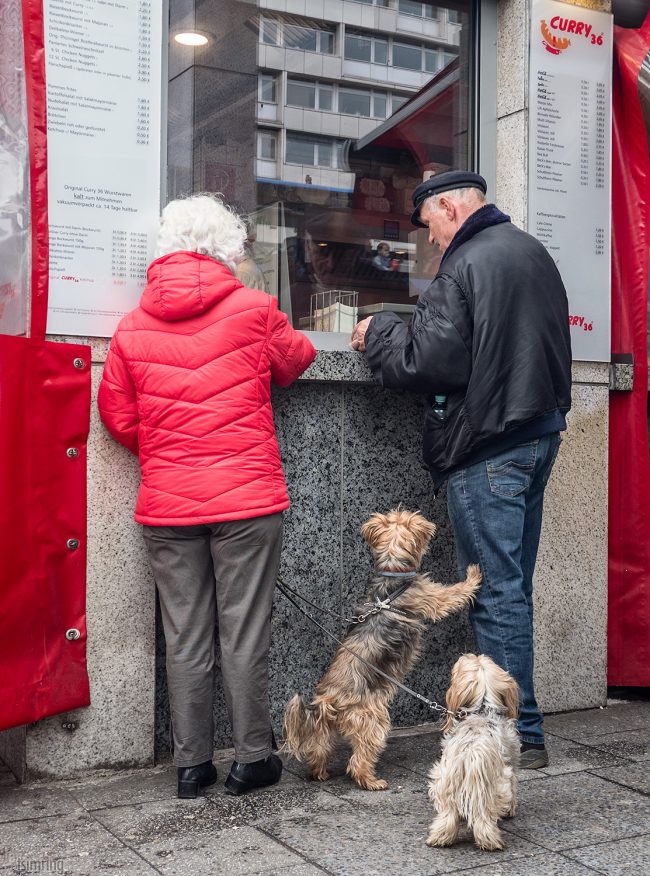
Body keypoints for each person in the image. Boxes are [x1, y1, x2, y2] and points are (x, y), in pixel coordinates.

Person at [351, 170, 572, 769]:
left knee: (494, 593)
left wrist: (380, 331)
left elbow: (429, 362)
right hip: (537, 437)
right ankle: (519, 724)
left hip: (489, 447)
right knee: (513, 587)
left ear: (449, 207)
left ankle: (513, 735)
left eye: (428, 226)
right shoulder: (531, 252)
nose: (429, 242)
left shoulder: (465, 262)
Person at [98, 194, 316, 798]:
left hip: (168, 505)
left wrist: (171, 446)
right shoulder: (255, 308)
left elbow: (116, 416)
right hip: (246, 502)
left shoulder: (132, 325)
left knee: (185, 634)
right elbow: (297, 359)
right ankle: (252, 760)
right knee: (243, 631)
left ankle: (191, 766)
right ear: (229, 249)